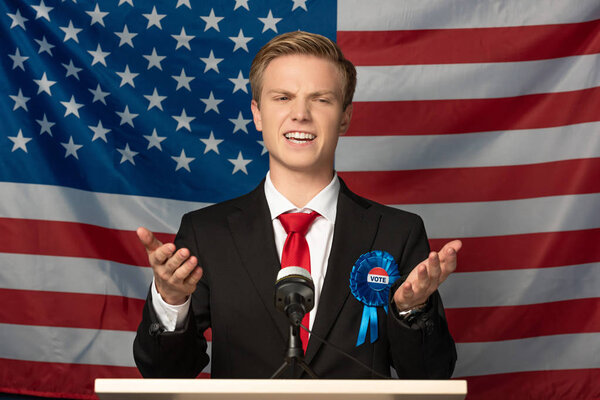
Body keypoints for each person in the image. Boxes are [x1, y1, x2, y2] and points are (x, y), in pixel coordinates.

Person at [133, 31, 461, 379]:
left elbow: (432, 375)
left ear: (345, 117)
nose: (300, 114)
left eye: (321, 99)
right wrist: (171, 301)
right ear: (257, 114)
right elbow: (164, 373)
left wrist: (411, 311)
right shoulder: (206, 234)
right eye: (283, 97)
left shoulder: (399, 233)